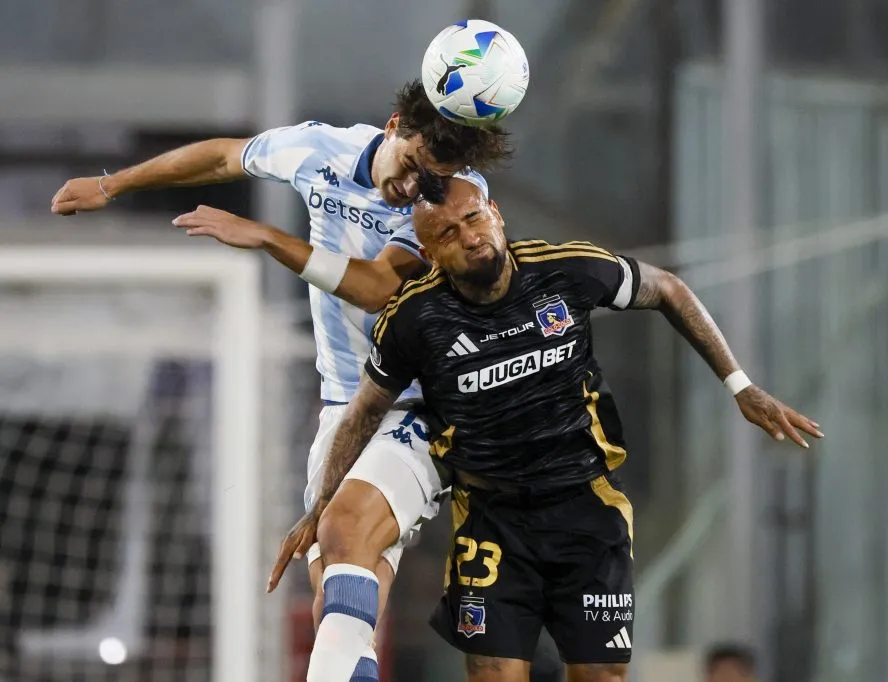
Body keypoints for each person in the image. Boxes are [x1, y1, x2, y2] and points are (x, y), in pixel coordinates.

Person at [271, 174, 822, 682]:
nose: (468, 236)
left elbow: (670, 290)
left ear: (496, 214)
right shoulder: (414, 319)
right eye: (445, 232)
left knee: (599, 675)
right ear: (431, 253)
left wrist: (741, 386)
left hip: (585, 506)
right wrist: (319, 506)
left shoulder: (566, 270)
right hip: (492, 520)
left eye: (473, 218)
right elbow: (365, 411)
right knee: (494, 674)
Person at [49, 81, 512, 682]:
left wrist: (269, 238)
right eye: (411, 167)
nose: (411, 189)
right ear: (394, 124)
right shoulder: (321, 150)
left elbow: (377, 286)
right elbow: (223, 155)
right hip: (345, 405)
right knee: (338, 604)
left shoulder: (452, 199)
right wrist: (112, 184)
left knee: (343, 530)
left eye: (429, 180)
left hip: (423, 404)